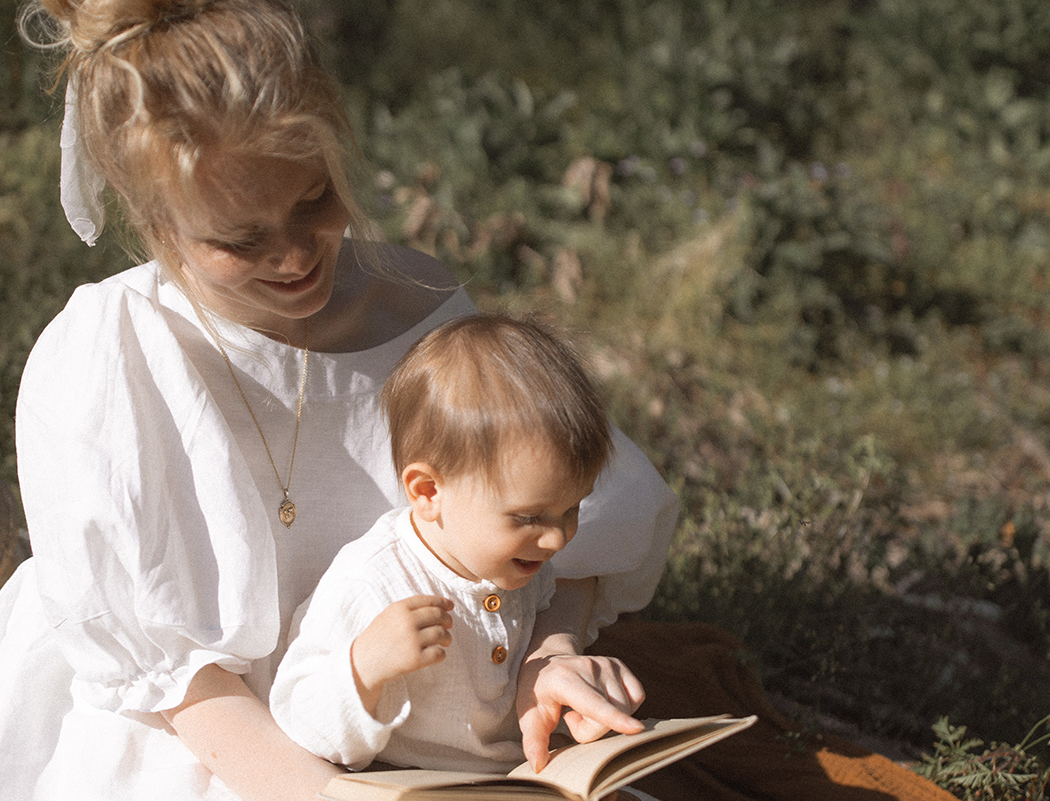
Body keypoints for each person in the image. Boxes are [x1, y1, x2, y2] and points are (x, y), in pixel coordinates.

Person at [0, 1, 678, 800]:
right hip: (222, 743)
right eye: (241, 239)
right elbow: (182, 687)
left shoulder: (417, 312)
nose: (294, 255)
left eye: (314, 199)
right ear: (155, 222)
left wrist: (546, 658)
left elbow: (561, 531)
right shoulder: (111, 364)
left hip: (433, 731)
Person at [270, 313, 646, 774]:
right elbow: (299, 716)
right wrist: (365, 666)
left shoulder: (518, 563)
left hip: (514, 774)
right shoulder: (372, 583)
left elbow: (547, 621)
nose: (557, 538)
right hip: (409, 784)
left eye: (572, 510)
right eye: (529, 517)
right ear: (428, 492)